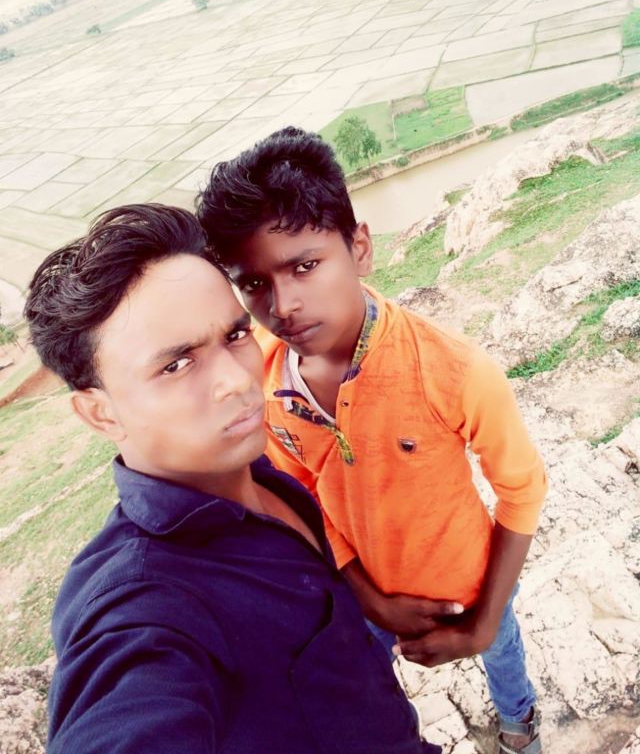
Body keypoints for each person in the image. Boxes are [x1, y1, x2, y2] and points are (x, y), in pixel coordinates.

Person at [25, 203, 443, 754]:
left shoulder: (258, 470)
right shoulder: (143, 606)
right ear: (101, 413)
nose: (237, 381)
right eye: (176, 365)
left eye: (235, 334)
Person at [196, 127, 549, 754]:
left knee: (503, 654)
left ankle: (520, 724)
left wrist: (484, 619)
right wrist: (370, 599)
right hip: (366, 594)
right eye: (253, 284)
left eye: (305, 266)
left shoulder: (453, 370)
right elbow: (300, 493)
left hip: (473, 583)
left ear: (359, 247)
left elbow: (523, 490)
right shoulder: (266, 380)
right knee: (367, 684)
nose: (283, 304)